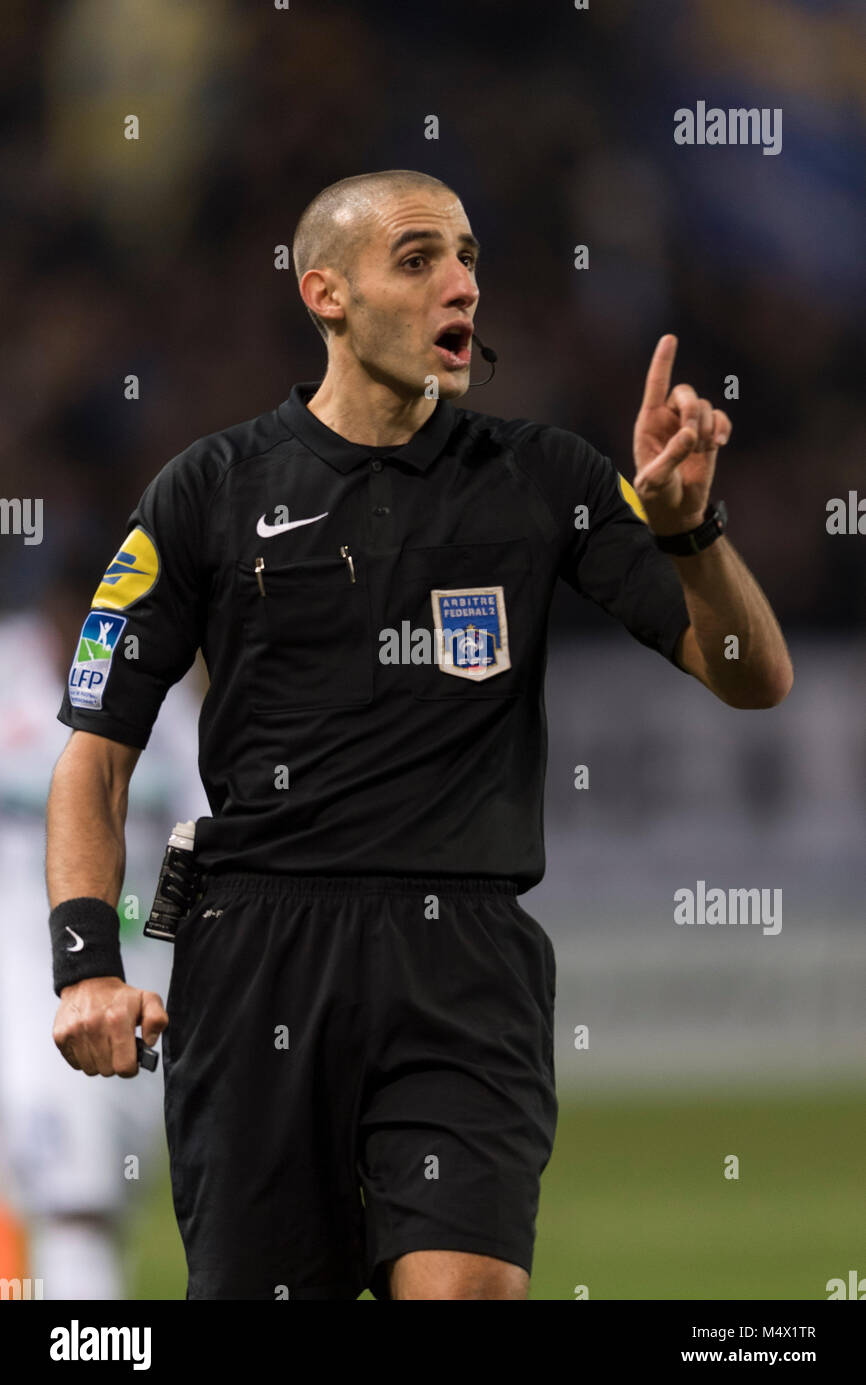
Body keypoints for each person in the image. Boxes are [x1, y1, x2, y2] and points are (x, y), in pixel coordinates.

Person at [46, 169, 793, 1301]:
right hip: (258, 962)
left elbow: (751, 680)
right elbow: (95, 758)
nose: (461, 284)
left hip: (463, 966)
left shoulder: (543, 478)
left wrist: (690, 533)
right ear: (325, 295)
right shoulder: (207, 489)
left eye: (469, 257)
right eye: (418, 260)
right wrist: (86, 970)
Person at [0, 555, 206, 1298]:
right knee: (73, 1196)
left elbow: (204, 822)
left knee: (100, 1194)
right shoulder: (5, 675)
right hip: (22, 972)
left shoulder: (166, 697)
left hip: (131, 968)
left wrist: (177, 938)